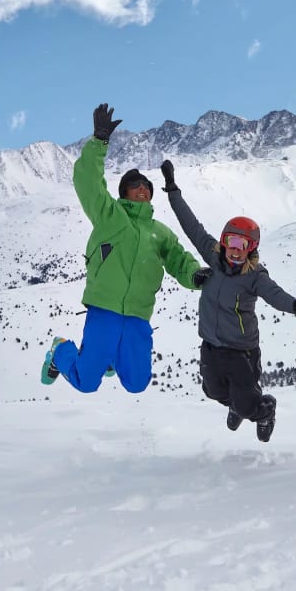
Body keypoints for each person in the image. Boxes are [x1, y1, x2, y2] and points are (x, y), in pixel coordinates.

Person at [40, 103, 205, 394]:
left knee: (137, 383)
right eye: (135, 185)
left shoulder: (159, 233)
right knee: (86, 382)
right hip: (104, 309)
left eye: (146, 185)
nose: (142, 188)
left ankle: (111, 358)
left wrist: (195, 276)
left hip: (138, 315)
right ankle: (60, 350)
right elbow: (87, 182)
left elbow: (180, 260)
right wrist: (99, 142)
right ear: (124, 193)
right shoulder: (110, 216)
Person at [159, 160, 296, 443]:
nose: (235, 251)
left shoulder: (254, 276)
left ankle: (265, 411)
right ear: (223, 242)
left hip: (241, 352)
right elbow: (191, 226)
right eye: (231, 242)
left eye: (243, 245)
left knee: (250, 404)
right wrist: (173, 189)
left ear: (252, 249)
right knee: (213, 392)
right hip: (211, 346)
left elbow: (276, 296)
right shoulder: (213, 256)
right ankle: (237, 405)